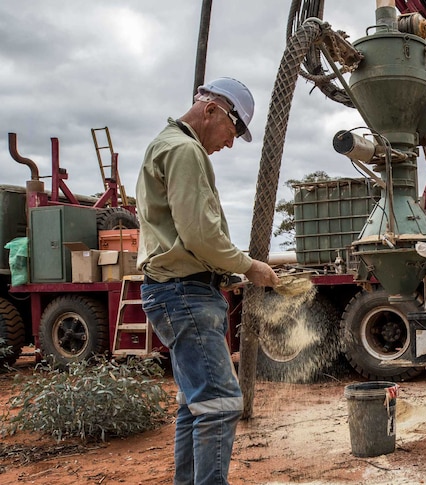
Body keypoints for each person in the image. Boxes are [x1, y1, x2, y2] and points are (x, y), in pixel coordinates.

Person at [136, 77, 279, 484]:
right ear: (212, 110)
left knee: (195, 405)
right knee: (220, 404)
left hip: (174, 290)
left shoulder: (164, 144)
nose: (230, 143)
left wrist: (222, 271)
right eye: (232, 132)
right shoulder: (185, 150)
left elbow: (185, 236)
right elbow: (200, 234)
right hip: (184, 294)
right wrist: (250, 267)